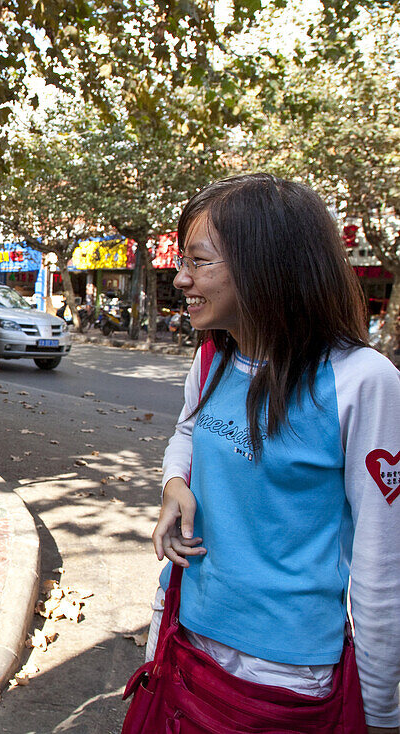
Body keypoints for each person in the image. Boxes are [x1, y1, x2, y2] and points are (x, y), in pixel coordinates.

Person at [150, 174, 400, 732]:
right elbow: (187, 433)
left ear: (268, 265)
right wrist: (173, 485)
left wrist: (380, 713)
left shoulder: (364, 383)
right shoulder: (214, 358)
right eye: (181, 260)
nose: (181, 278)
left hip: (286, 673)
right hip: (189, 632)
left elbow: (382, 567)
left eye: (199, 261)